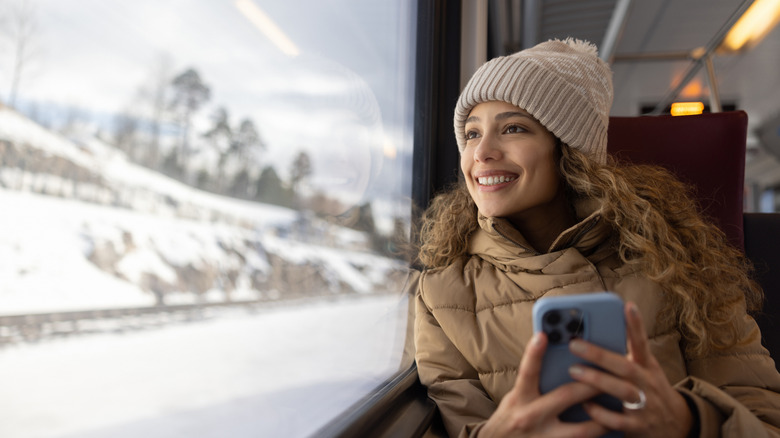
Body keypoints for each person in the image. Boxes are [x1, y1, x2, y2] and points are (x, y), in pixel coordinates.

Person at [412, 38, 780, 438]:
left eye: (513, 128)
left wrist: (687, 421)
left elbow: (764, 419)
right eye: (470, 133)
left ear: (568, 150)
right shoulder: (442, 294)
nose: (481, 152)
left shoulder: (681, 259)